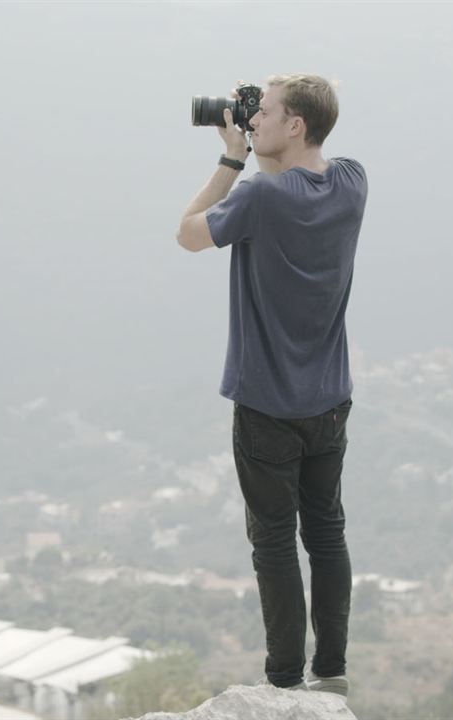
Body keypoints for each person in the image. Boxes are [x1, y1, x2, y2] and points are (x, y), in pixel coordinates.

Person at [174, 74, 368, 696]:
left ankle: (284, 683)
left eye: (267, 114)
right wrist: (265, 130)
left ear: (297, 126)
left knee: (275, 543)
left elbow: (188, 232)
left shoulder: (260, 198)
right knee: (327, 531)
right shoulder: (352, 182)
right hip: (330, 401)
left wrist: (233, 156)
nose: (253, 120)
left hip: (265, 407)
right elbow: (315, 165)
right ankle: (331, 672)